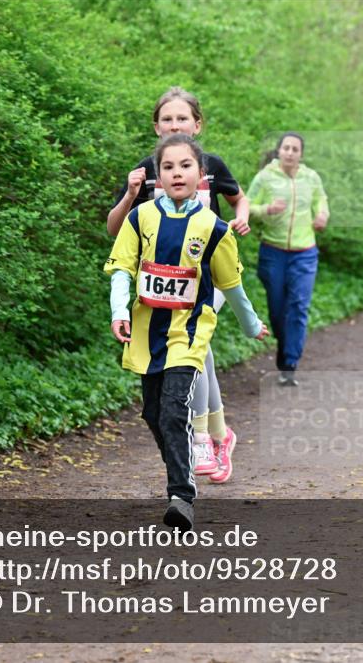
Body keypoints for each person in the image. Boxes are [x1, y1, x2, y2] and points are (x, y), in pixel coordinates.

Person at [105, 134, 268, 530]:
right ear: (157, 177)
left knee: (176, 409)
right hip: (146, 333)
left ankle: (181, 495)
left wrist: (251, 325)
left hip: (189, 334)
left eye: (185, 166)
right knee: (153, 413)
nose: (177, 173)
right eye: (168, 167)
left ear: (201, 175)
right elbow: (122, 268)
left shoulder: (213, 228)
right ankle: (181, 470)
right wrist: (118, 310)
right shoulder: (140, 218)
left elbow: (231, 286)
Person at [106, 87, 246, 484]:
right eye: (167, 119)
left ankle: (201, 436)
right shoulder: (147, 169)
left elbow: (239, 200)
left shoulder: (211, 165)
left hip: (208, 275)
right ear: (155, 126)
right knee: (199, 350)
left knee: (193, 346)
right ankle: (220, 434)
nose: (174, 125)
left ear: (197, 124)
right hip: (164, 280)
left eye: (182, 119)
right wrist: (132, 193)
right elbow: (115, 230)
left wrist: (241, 220)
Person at [246, 132, 329, 386]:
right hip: (273, 251)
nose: (290, 152)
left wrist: (322, 215)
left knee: (299, 305)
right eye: (286, 148)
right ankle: (285, 347)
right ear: (279, 151)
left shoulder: (311, 177)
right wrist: (266, 209)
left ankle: (290, 362)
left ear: (301, 154)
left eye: (295, 149)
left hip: (305, 252)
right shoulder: (265, 177)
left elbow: (321, 200)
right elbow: (246, 206)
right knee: (277, 309)